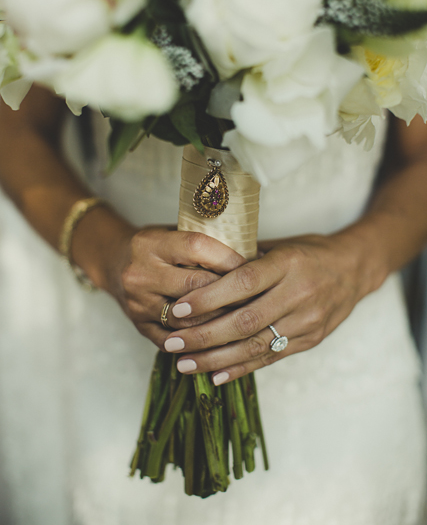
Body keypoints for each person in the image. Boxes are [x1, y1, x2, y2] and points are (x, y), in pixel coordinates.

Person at [0, 82, 426, 525]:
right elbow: (15, 124)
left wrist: (355, 265)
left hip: (339, 344)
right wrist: (103, 250)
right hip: (126, 329)